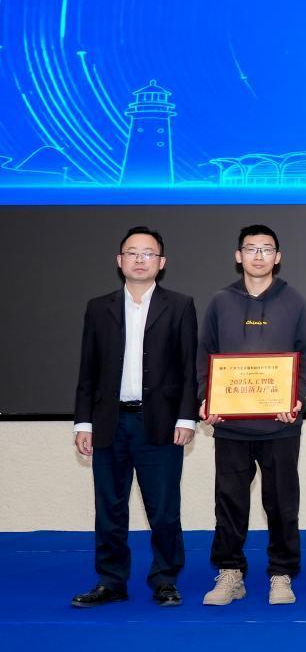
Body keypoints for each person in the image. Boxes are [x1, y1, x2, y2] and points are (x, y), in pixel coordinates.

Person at [70, 226, 198, 608]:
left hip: (159, 423)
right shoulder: (99, 307)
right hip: (109, 422)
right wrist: (83, 422)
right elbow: (88, 370)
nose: (140, 259)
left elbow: (188, 367)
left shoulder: (180, 305)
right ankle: (111, 581)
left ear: (161, 262)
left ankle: (165, 580)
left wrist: (186, 418)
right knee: (109, 508)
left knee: (164, 509)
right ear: (119, 260)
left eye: (148, 253)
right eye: (132, 252)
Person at [197, 224, 306, 606]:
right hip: (231, 425)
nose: (259, 255)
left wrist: (297, 399)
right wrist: (206, 398)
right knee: (229, 502)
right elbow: (204, 355)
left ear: (278, 257)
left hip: (280, 425)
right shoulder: (220, 301)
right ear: (239, 256)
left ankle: (281, 574)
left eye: (266, 249)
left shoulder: (294, 301)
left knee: (282, 503)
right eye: (251, 248)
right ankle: (230, 573)